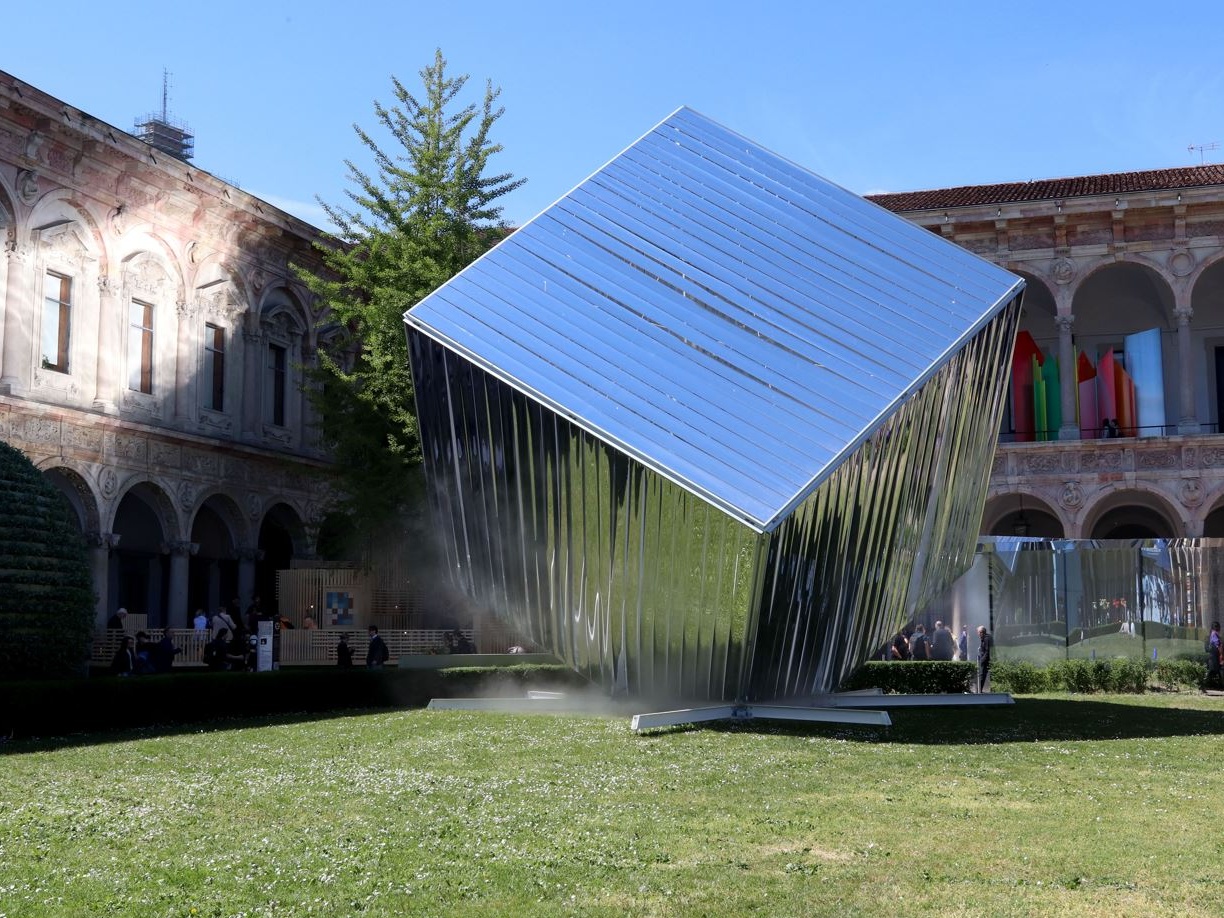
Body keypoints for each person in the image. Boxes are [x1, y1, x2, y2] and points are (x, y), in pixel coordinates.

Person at [976, 625, 993, 693]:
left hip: (986, 660)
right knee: (982, 675)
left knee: (982, 675)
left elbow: (987, 651)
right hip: (985, 659)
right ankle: (979, 690)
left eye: (978, 632)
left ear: (981, 632)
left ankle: (978, 691)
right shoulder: (984, 638)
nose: (978, 634)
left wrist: (982, 660)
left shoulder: (986, 639)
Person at [1207, 621, 1222, 690]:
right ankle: (1211, 686)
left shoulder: (1213, 633)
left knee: (1214, 670)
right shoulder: (1214, 634)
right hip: (1214, 655)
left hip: (1213, 655)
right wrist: (1221, 654)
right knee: (1214, 670)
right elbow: (1217, 645)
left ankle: (1213, 685)